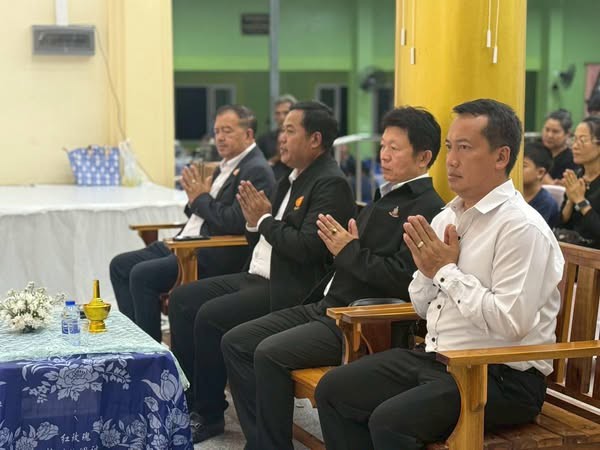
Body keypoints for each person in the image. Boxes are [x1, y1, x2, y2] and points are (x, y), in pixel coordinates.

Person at [315, 99, 564, 450]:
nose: (451, 159)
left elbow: (511, 323)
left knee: (390, 421)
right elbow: (421, 305)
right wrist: (430, 272)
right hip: (439, 359)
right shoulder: (448, 216)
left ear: (501, 157)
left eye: (465, 148)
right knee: (334, 390)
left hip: (500, 377)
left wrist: (446, 271)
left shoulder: (521, 228)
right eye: (449, 147)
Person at [221, 106, 445, 450]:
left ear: (423, 157)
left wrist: (348, 250)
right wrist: (345, 249)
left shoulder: (426, 208)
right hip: (326, 304)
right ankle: (264, 441)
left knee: (267, 353)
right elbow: (351, 255)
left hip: (355, 320)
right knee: (236, 341)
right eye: (382, 146)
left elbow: (403, 279)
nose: (384, 155)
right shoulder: (385, 195)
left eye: (395, 148)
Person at [167, 101, 355, 443]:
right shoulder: (290, 178)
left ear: (315, 140)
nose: (281, 138)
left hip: (290, 286)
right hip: (257, 272)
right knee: (182, 298)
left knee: (210, 316)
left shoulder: (329, 183)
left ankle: (210, 414)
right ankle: (187, 401)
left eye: (290, 131)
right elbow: (262, 237)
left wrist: (265, 221)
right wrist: (257, 223)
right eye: (282, 130)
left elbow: (308, 248)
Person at [109, 105, 276, 342]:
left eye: (227, 131)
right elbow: (202, 209)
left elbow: (234, 221)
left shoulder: (255, 169)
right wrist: (195, 199)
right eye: (217, 131)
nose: (219, 137)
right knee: (120, 266)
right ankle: (133, 342)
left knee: (141, 275)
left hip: (204, 251)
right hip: (184, 240)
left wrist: (200, 199)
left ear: (248, 134)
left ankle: (150, 351)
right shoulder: (224, 166)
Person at [558, 115, 600, 248]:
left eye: (582, 140)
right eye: (574, 140)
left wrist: (581, 201)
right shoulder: (576, 176)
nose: (574, 146)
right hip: (573, 251)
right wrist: (571, 201)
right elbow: (561, 224)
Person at [523, 142, 560, 227]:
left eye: (523, 166)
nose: (516, 170)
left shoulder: (546, 203)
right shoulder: (512, 193)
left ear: (540, 172)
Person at [541, 108, 579, 183]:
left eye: (555, 131)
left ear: (567, 134)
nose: (549, 135)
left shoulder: (572, 160)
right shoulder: (537, 152)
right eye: (547, 130)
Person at [256, 94, 297, 161]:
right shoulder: (264, 140)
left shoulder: (303, 138)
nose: (281, 117)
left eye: (286, 113)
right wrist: (275, 159)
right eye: (278, 113)